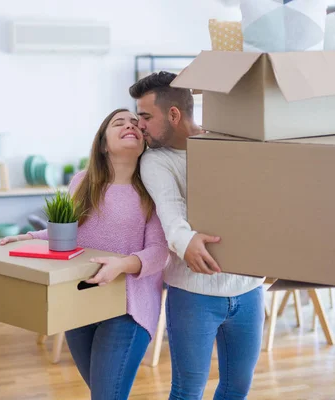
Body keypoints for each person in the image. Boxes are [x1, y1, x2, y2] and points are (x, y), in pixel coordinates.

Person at [0, 108, 170, 400]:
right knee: (104, 393)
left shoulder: (153, 189)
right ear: (103, 144)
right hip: (79, 302)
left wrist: (121, 265)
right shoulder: (82, 181)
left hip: (128, 307)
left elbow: (159, 253)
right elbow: (70, 232)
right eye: (119, 123)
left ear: (143, 142)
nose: (130, 126)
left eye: (135, 124)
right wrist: (28, 237)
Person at [130, 72, 266, 400]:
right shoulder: (155, 162)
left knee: (238, 387)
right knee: (188, 390)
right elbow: (170, 209)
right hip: (193, 294)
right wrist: (184, 241)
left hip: (249, 290)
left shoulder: (227, 142)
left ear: (174, 114)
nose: (140, 126)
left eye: (146, 116)